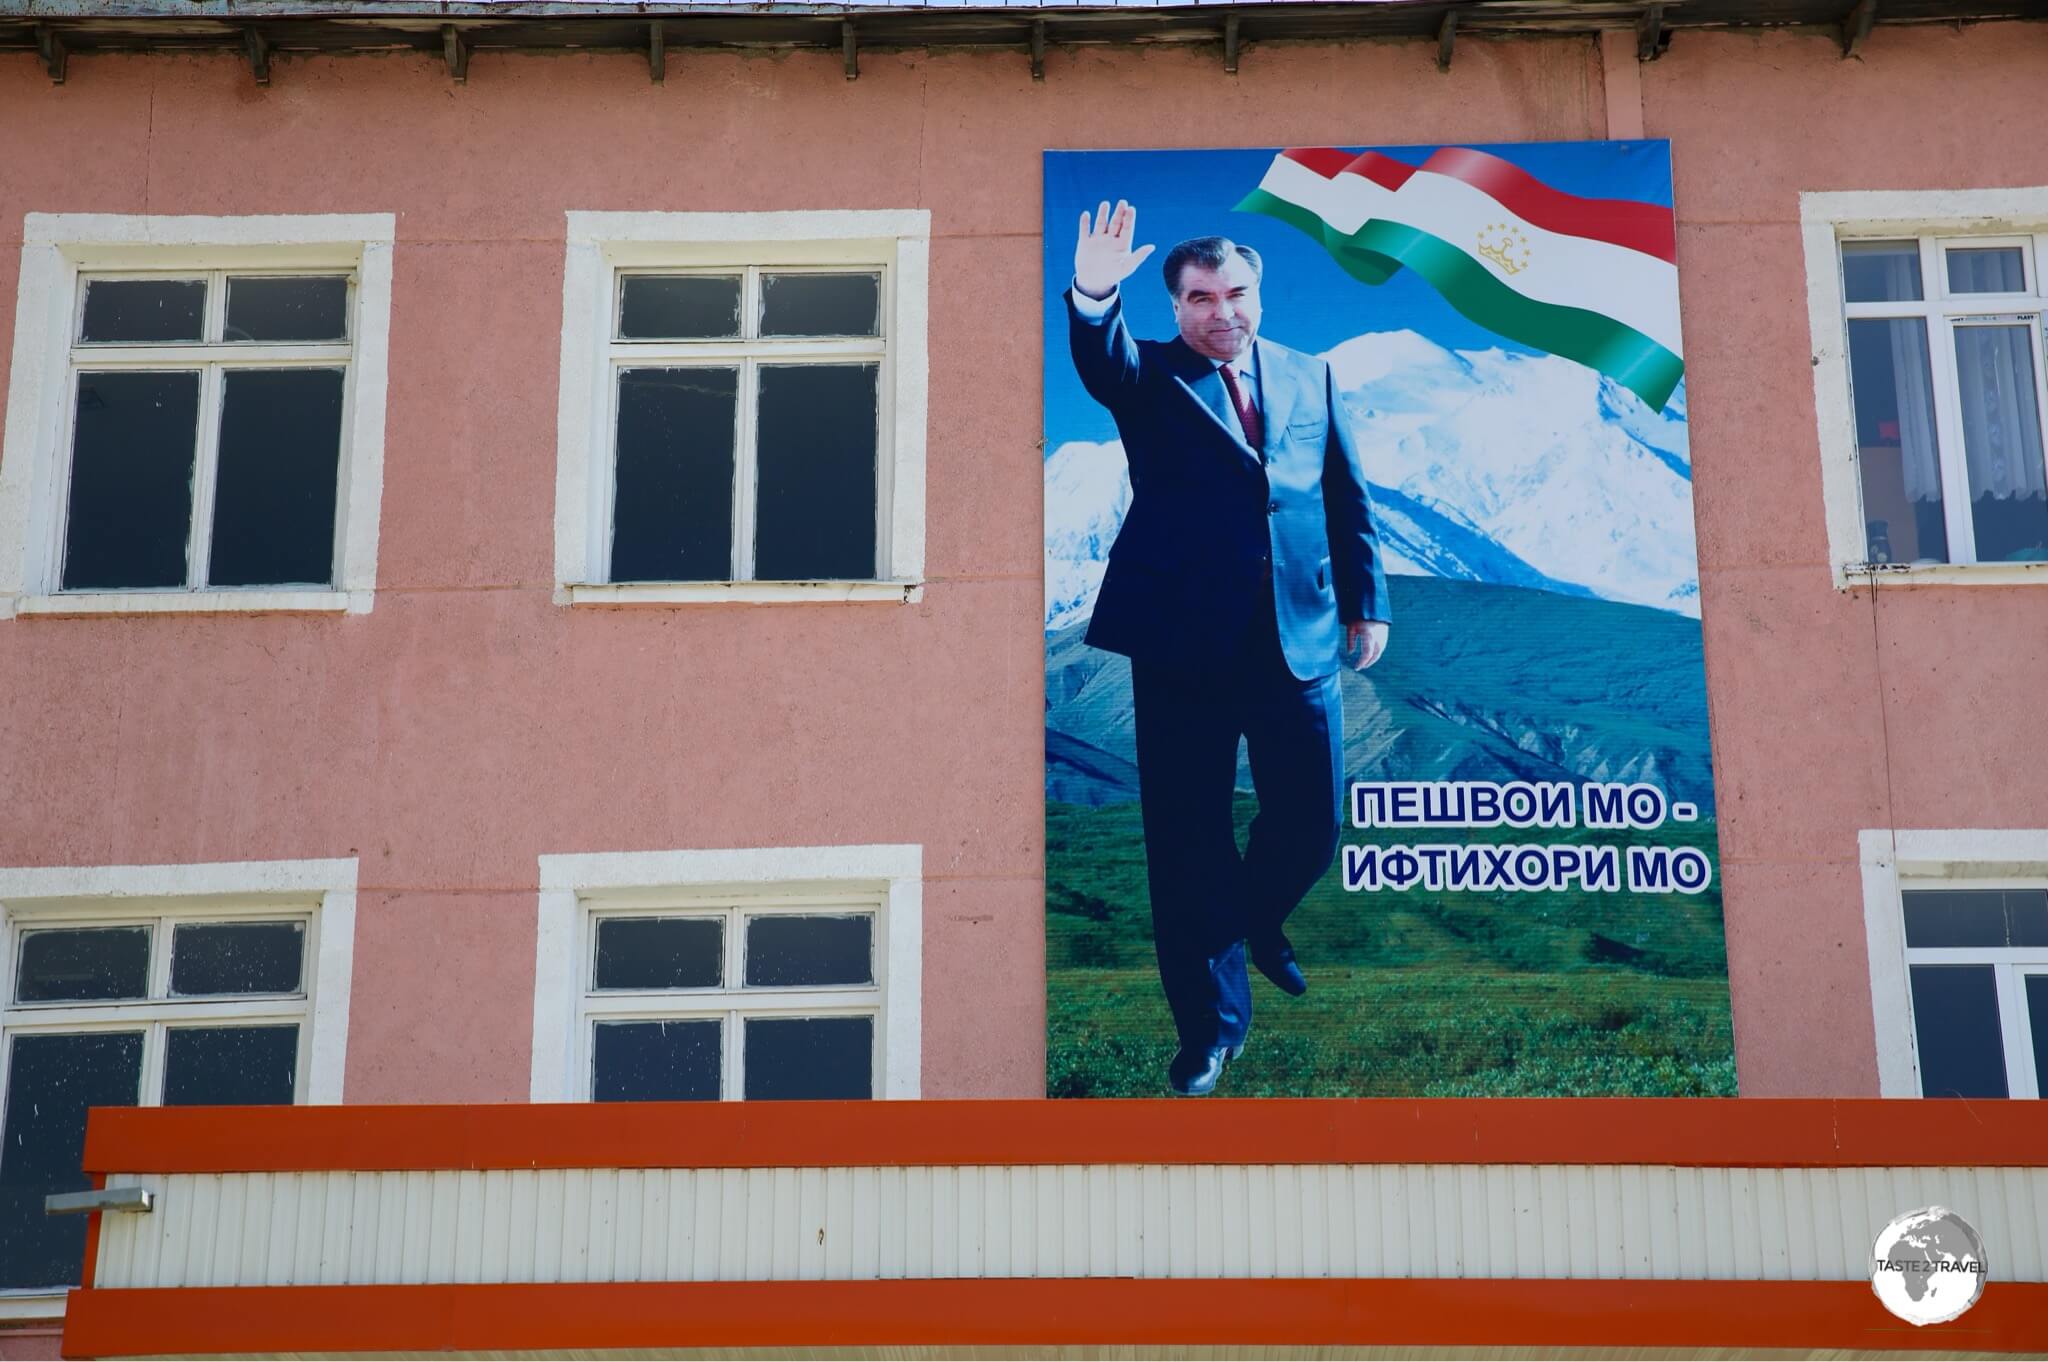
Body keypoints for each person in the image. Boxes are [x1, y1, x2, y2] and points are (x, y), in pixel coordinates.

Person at [1066, 200, 1391, 1096]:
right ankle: (1210, 1032)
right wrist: (1096, 290)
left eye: (1237, 292)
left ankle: (1259, 916)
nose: (1224, 311)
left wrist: (1369, 604)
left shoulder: (1309, 374)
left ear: (1260, 294)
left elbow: (1345, 495)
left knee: (1313, 821)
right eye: (1202, 297)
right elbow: (1101, 359)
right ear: (1176, 308)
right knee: (1186, 842)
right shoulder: (1149, 373)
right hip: (1181, 646)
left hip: (1300, 634)